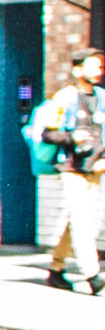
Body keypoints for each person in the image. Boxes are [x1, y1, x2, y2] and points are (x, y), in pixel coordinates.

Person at [42, 50, 105, 295]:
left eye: (100, 65)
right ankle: (92, 274)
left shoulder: (101, 97)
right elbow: (47, 133)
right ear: (77, 70)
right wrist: (71, 137)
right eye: (93, 65)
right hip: (70, 168)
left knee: (78, 221)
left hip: (94, 168)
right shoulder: (65, 97)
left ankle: (56, 269)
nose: (99, 70)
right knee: (82, 220)